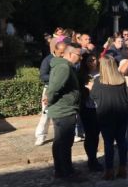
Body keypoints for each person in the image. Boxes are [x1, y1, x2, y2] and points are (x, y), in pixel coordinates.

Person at [46, 44, 86, 182]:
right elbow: (54, 89)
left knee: (59, 142)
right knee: (64, 143)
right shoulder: (64, 67)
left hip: (62, 109)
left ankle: (60, 170)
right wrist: (49, 101)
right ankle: (67, 172)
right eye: (78, 55)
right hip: (64, 110)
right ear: (69, 54)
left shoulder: (64, 66)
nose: (81, 58)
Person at [90, 55, 128, 180]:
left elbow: (94, 97)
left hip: (106, 115)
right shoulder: (121, 80)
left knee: (108, 143)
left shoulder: (98, 82)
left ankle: (109, 171)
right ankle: (123, 168)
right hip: (121, 113)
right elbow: (125, 96)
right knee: (121, 142)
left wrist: (90, 88)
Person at [35, 42, 67, 146]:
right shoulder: (47, 60)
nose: (63, 55)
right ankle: (41, 136)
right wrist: (56, 77)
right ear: (55, 50)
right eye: (61, 52)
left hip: (64, 89)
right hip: (50, 89)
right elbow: (42, 76)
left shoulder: (66, 59)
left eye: (64, 52)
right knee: (46, 113)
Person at [78, 53, 103, 172]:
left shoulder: (102, 72)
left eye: (94, 59)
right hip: (88, 108)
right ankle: (91, 159)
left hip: (100, 107)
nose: (92, 62)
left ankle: (94, 159)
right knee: (90, 134)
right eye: (89, 61)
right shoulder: (82, 75)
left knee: (96, 134)